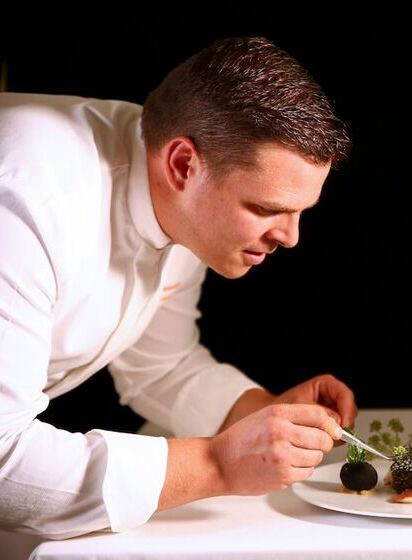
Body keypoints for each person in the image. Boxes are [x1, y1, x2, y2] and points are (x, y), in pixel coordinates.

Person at [0, 37, 356, 539]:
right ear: (183, 165)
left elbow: (159, 364)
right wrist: (216, 464)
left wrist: (260, 412)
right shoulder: (24, 200)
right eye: (264, 209)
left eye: (300, 213)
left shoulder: (181, 199)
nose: (290, 238)